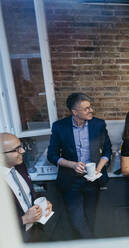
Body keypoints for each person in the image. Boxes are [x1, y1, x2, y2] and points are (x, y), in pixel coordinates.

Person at [47, 93, 112, 238]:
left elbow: (107, 150)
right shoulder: (59, 127)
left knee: (90, 218)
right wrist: (72, 164)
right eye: (86, 109)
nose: (91, 111)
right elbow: (52, 155)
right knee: (77, 220)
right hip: (71, 181)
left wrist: (98, 168)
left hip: (92, 180)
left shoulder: (98, 124)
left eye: (91, 107)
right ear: (74, 112)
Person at [0, 133, 52, 242]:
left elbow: (29, 193)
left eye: (21, 146)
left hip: (36, 230)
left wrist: (43, 202)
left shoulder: (20, 166)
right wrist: (24, 219)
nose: (23, 151)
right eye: (16, 149)